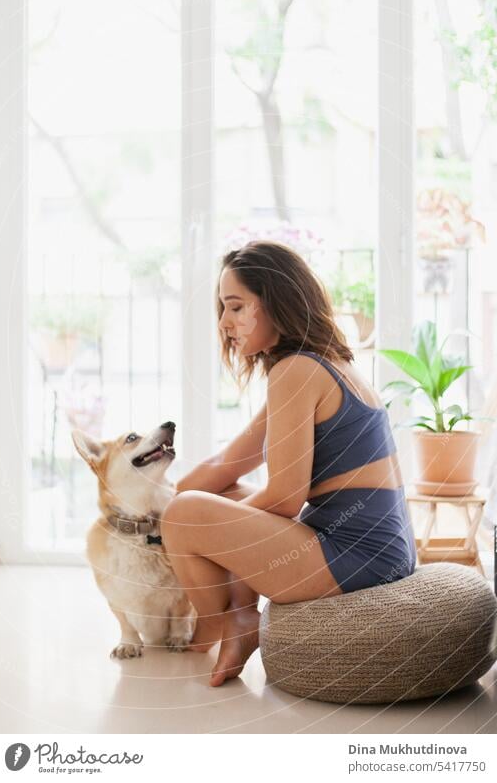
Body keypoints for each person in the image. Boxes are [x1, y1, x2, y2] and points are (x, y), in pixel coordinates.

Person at [161, 240, 416, 687]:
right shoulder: (319, 365)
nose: (224, 323)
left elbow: (284, 498)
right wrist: (170, 499)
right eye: (223, 308)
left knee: (185, 517)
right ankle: (239, 617)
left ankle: (221, 625)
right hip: (375, 549)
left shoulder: (295, 372)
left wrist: (180, 520)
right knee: (202, 502)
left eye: (236, 307)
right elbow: (227, 463)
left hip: (359, 557)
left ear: (276, 301)